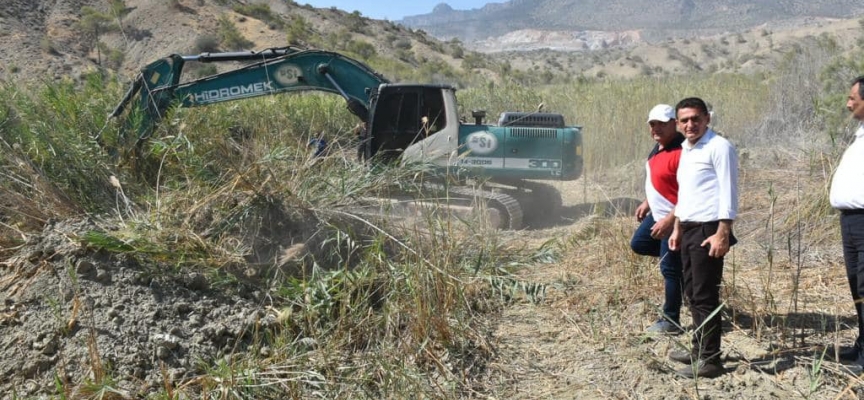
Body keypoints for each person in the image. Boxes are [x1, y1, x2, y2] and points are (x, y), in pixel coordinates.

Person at [668, 97, 739, 379]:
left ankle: (710, 360)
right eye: (684, 120)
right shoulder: (686, 149)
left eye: (695, 118)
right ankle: (698, 349)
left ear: (707, 118)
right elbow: (686, 194)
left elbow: (729, 192)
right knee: (691, 294)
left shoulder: (719, 147)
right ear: (677, 123)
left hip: (709, 229)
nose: (690, 125)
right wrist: (676, 227)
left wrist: (723, 232)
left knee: (705, 295)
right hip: (688, 228)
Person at [630, 104, 685, 335]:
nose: (656, 128)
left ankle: (670, 321)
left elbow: (690, 193)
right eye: (653, 124)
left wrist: (670, 221)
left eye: (662, 123)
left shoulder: (683, 152)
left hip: (675, 220)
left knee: (670, 269)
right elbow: (661, 180)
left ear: (675, 123)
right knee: (639, 243)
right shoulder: (658, 147)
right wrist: (648, 201)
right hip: (658, 214)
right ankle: (684, 263)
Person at [829, 75, 864, 374]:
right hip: (851, 222)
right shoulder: (860, 133)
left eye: (853, 97)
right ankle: (863, 344)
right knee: (857, 284)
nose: (848, 102)